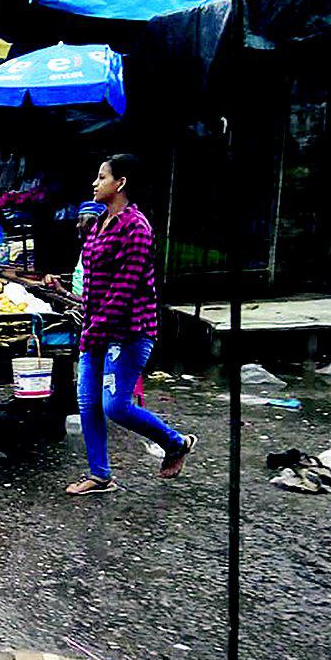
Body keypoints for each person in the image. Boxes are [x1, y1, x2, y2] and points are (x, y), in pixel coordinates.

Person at [66, 155, 195, 496]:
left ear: (120, 183)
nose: (95, 183)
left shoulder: (136, 228)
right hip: (96, 329)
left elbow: (124, 289)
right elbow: (93, 280)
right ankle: (99, 475)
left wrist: (93, 329)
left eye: (101, 177)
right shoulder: (100, 224)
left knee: (116, 405)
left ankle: (176, 443)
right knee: (88, 403)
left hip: (130, 332)